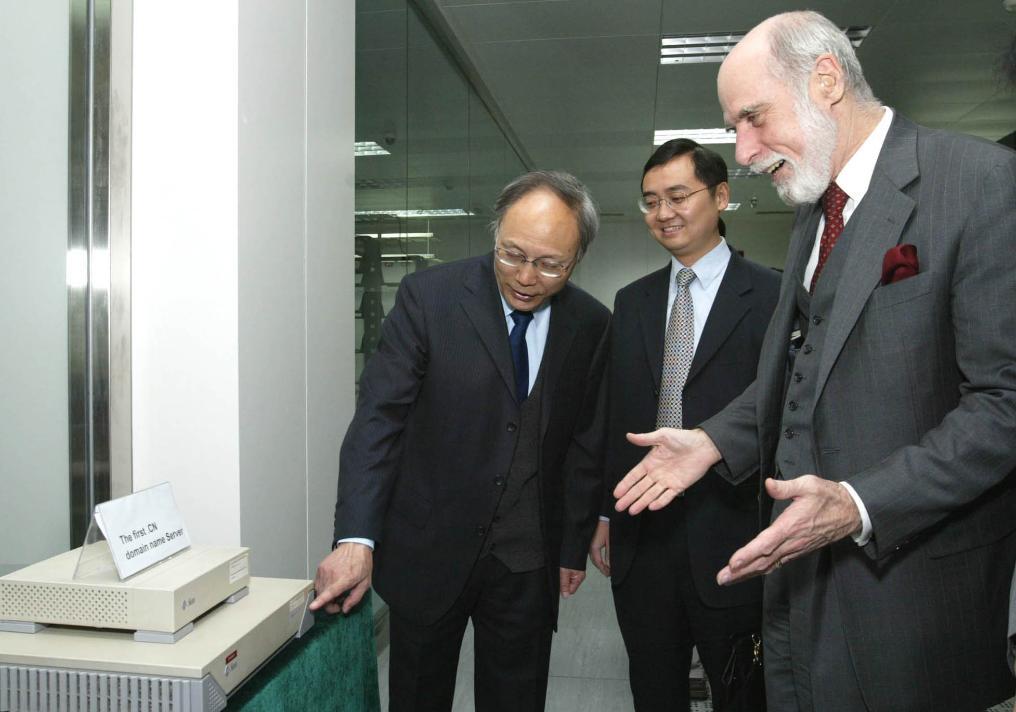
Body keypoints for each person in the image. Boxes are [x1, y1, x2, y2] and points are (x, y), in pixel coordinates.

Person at [613, 11, 1016, 712]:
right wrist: (713, 441)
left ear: (826, 80)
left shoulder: (979, 182)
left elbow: (1003, 405)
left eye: (753, 118)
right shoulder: (813, 214)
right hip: (802, 589)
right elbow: (798, 371)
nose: (744, 151)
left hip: (910, 595)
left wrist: (859, 503)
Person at [310, 170, 610, 712]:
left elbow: (584, 443)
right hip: (429, 550)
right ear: (496, 234)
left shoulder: (590, 323)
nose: (526, 277)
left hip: (526, 560)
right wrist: (356, 538)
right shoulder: (430, 298)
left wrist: (572, 544)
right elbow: (379, 421)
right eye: (512, 254)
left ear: (577, 258)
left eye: (550, 265)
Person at [588, 139, 777, 711]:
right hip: (642, 538)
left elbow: (785, 410)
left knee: (743, 694)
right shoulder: (632, 301)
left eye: (677, 196)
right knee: (653, 691)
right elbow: (616, 414)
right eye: (650, 202)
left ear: (720, 196)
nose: (662, 213)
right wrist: (605, 513)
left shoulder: (774, 295)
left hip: (733, 532)